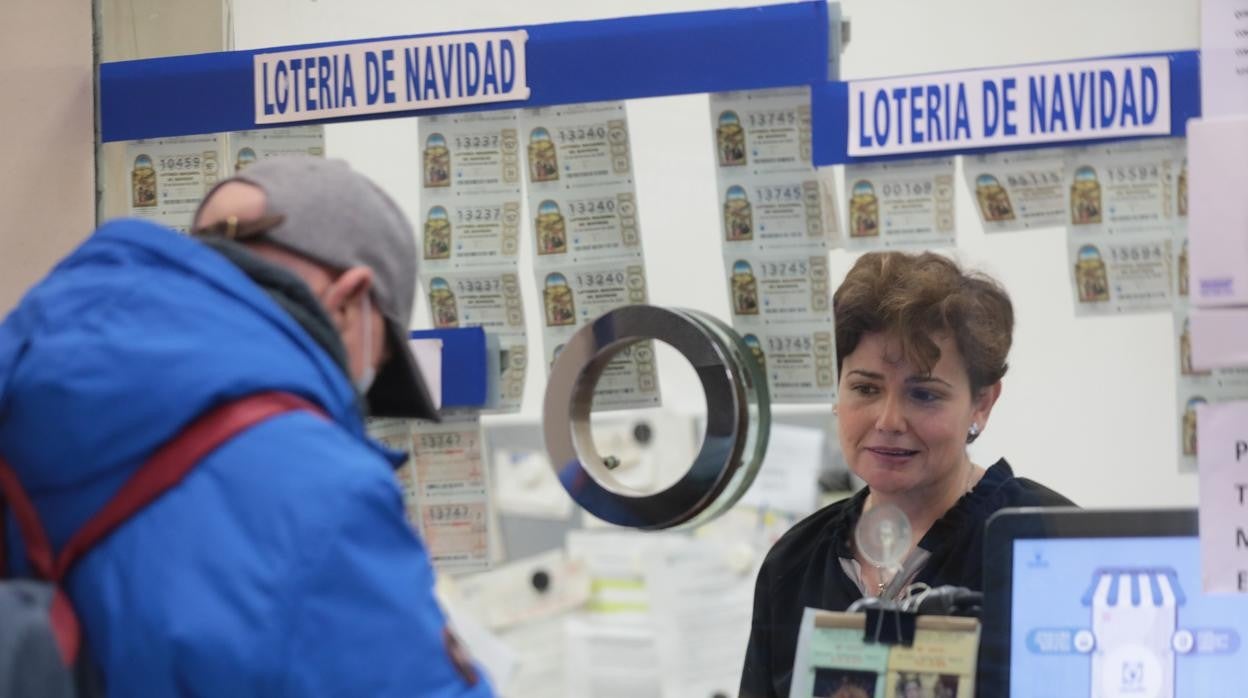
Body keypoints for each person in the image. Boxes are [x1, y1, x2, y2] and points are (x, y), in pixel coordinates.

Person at [0, 158, 492, 696]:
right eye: (379, 369)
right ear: (349, 303)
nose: (361, 392)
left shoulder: (24, 372)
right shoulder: (317, 488)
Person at [738, 251, 1073, 698]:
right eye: (866, 388)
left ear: (981, 404)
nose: (889, 420)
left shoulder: (1047, 544)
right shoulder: (794, 564)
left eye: (924, 394)